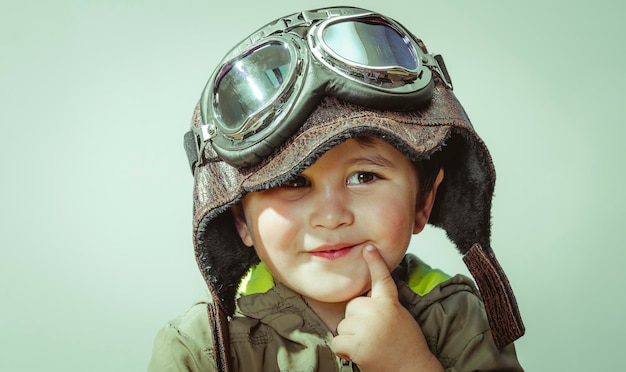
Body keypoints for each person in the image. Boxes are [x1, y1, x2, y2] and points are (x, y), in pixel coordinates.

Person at [148, 6, 525, 371]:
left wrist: (412, 366)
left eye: (364, 177)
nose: (331, 216)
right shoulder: (199, 349)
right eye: (293, 181)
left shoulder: (460, 321)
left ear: (424, 200)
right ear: (240, 220)